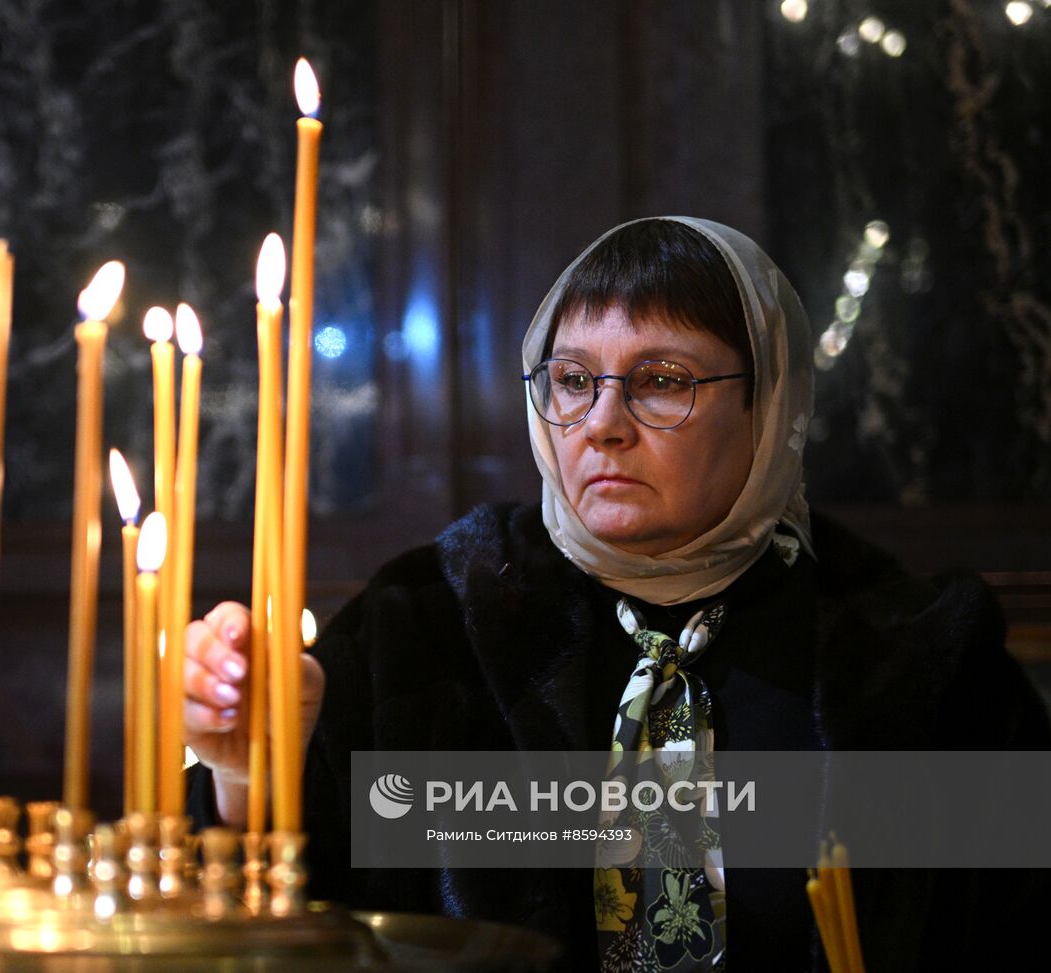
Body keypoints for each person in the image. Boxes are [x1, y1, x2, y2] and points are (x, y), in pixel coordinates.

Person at [182, 217, 1051, 971]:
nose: (602, 421)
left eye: (663, 380)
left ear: (771, 403)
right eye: (571, 380)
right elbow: (291, 919)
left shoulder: (914, 655)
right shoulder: (434, 617)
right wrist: (244, 778)